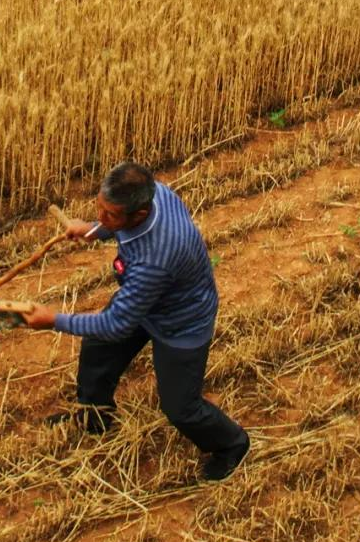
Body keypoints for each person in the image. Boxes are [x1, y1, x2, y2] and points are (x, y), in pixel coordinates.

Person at [19, 162, 249, 482]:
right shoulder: (156, 194)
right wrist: (93, 229)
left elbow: (116, 325)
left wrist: (53, 320)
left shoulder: (155, 259)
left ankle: (232, 445)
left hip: (181, 322)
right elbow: (117, 225)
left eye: (109, 215)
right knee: (99, 349)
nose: (102, 217)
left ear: (139, 215)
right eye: (99, 208)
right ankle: (94, 417)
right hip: (147, 301)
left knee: (181, 408)